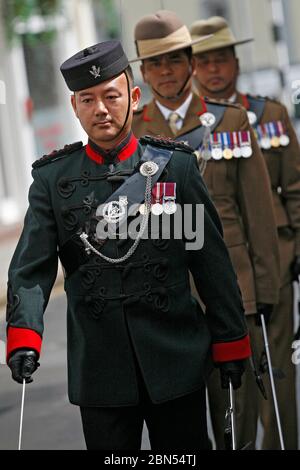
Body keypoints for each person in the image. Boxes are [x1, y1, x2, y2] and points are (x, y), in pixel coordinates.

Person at [6, 39, 251, 451]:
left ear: (134, 98)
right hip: (100, 370)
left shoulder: (175, 168)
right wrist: (25, 335)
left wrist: (230, 339)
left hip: (176, 360)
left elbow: (210, 264)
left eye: (111, 96)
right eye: (88, 99)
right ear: (75, 106)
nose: (100, 109)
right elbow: (31, 268)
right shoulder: (52, 182)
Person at [131, 10, 281, 450]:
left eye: (174, 60)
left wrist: (265, 295)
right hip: (167, 302)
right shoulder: (133, 131)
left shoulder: (230, 121)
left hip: (233, 294)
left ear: (191, 63)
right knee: (182, 432)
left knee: (237, 423)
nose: (165, 72)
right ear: (142, 71)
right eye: (155, 64)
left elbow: (258, 217)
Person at [190, 16, 300, 450]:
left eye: (222, 60)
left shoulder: (266, 114)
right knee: (227, 380)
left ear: (235, 63)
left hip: (274, 259)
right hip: (215, 269)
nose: (215, 70)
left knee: (277, 372)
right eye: (205, 62)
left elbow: (295, 188)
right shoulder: (190, 125)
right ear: (194, 69)